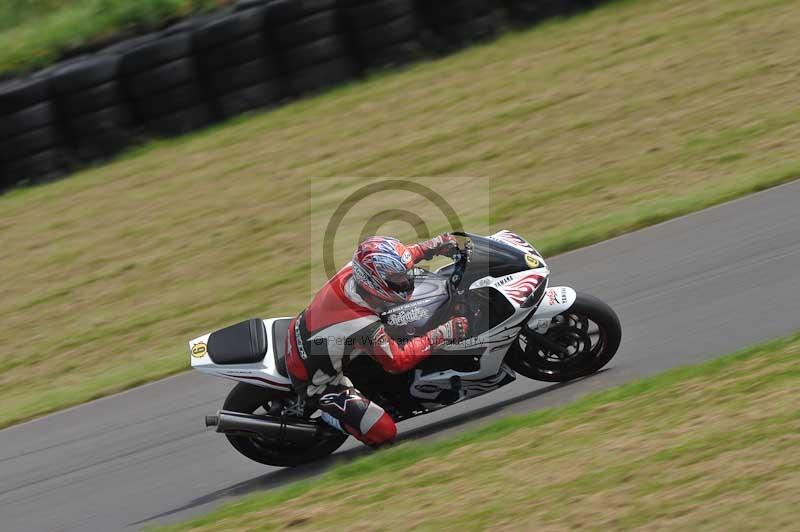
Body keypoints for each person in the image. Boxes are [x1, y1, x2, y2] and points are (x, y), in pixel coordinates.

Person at [285, 234, 469, 447]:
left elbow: (401, 258)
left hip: (313, 336)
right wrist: (445, 333)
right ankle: (330, 418)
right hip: (317, 382)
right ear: (376, 281)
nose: (406, 280)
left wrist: (433, 246)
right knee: (385, 433)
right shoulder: (360, 323)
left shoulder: (356, 270)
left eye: (404, 274)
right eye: (399, 278)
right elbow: (397, 362)